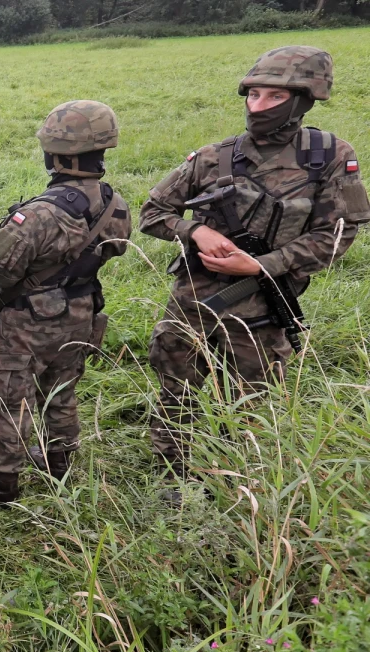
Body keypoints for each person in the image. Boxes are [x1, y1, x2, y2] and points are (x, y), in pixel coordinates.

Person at [139, 45, 369, 493]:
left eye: (273, 98)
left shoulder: (328, 157)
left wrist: (262, 265)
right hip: (195, 301)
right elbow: (152, 212)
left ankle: (235, 479)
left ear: (303, 100)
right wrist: (194, 232)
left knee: (252, 400)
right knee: (175, 384)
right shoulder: (214, 157)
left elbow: (337, 236)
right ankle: (171, 470)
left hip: (264, 307)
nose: (257, 107)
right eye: (253, 95)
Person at [0, 101, 130, 502]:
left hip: (30, 316)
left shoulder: (41, 212)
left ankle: (2, 480)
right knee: (61, 389)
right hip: (83, 308)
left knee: (9, 395)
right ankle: (58, 461)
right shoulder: (113, 203)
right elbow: (117, 247)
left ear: (57, 154)